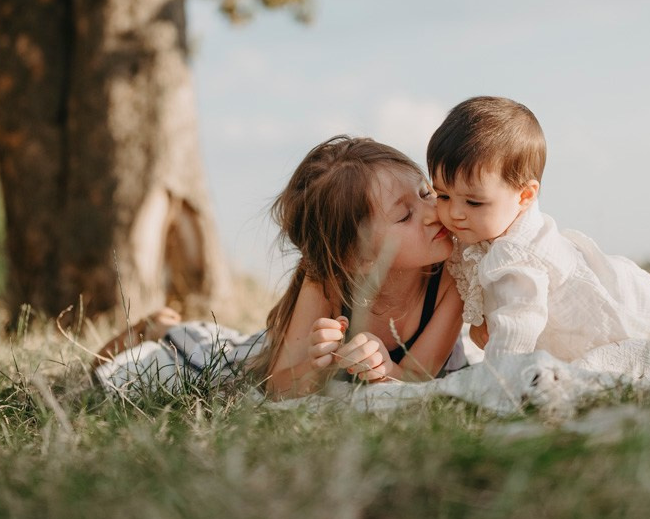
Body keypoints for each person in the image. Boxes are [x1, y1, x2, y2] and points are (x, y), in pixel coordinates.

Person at [95, 135, 465, 398]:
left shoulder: (453, 274)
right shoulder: (328, 279)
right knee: (208, 355)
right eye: (405, 215)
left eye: (425, 192)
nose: (434, 213)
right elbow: (278, 385)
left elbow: (419, 381)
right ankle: (158, 328)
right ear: (356, 256)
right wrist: (317, 366)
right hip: (263, 352)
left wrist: (383, 370)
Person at [427, 96, 650, 360]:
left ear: (524, 196)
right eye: (442, 196)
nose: (454, 213)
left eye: (474, 202)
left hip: (626, 322)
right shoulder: (486, 228)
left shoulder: (516, 254)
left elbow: (518, 329)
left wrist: (499, 377)